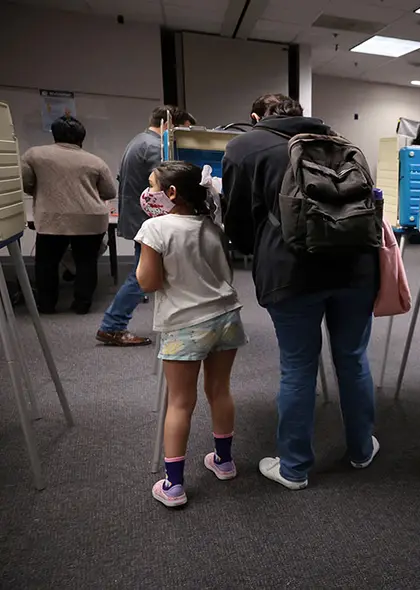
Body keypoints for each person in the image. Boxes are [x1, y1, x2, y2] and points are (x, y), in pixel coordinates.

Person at [223, 93, 380, 490]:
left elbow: (237, 225)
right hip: (356, 268)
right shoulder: (342, 142)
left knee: (298, 366)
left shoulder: (244, 147)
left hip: (291, 271)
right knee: (354, 359)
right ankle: (362, 449)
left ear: (257, 117)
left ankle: (294, 468)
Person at [135, 161, 247, 508]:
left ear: (170, 193)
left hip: (185, 323)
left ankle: (174, 486)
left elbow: (148, 281)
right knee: (220, 391)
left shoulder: (155, 228)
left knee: (180, 402)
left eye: (152, 186)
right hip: (226, 316)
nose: (147, 193)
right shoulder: (211, 225)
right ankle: (224, 462)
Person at [96, 105, 197, 346]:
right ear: (168, 125)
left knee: (145, 272)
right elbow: (169, 184)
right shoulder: (156, 146)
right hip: (148, 220)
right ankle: (113, 325)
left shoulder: (138, 140)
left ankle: (116, 324)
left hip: (137, 217)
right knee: (141, 277)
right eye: (181, 130)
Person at [20, 116, 116, 314]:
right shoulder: (95, 161)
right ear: (82, 138)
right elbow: (109, 192)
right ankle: (82, 305)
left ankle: (46, 305)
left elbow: (25, 183)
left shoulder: (34, 155)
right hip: (91, 219)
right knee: (86, 262)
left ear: (54, 134)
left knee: (46, 263)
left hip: (52, 218)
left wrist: (42, 192)